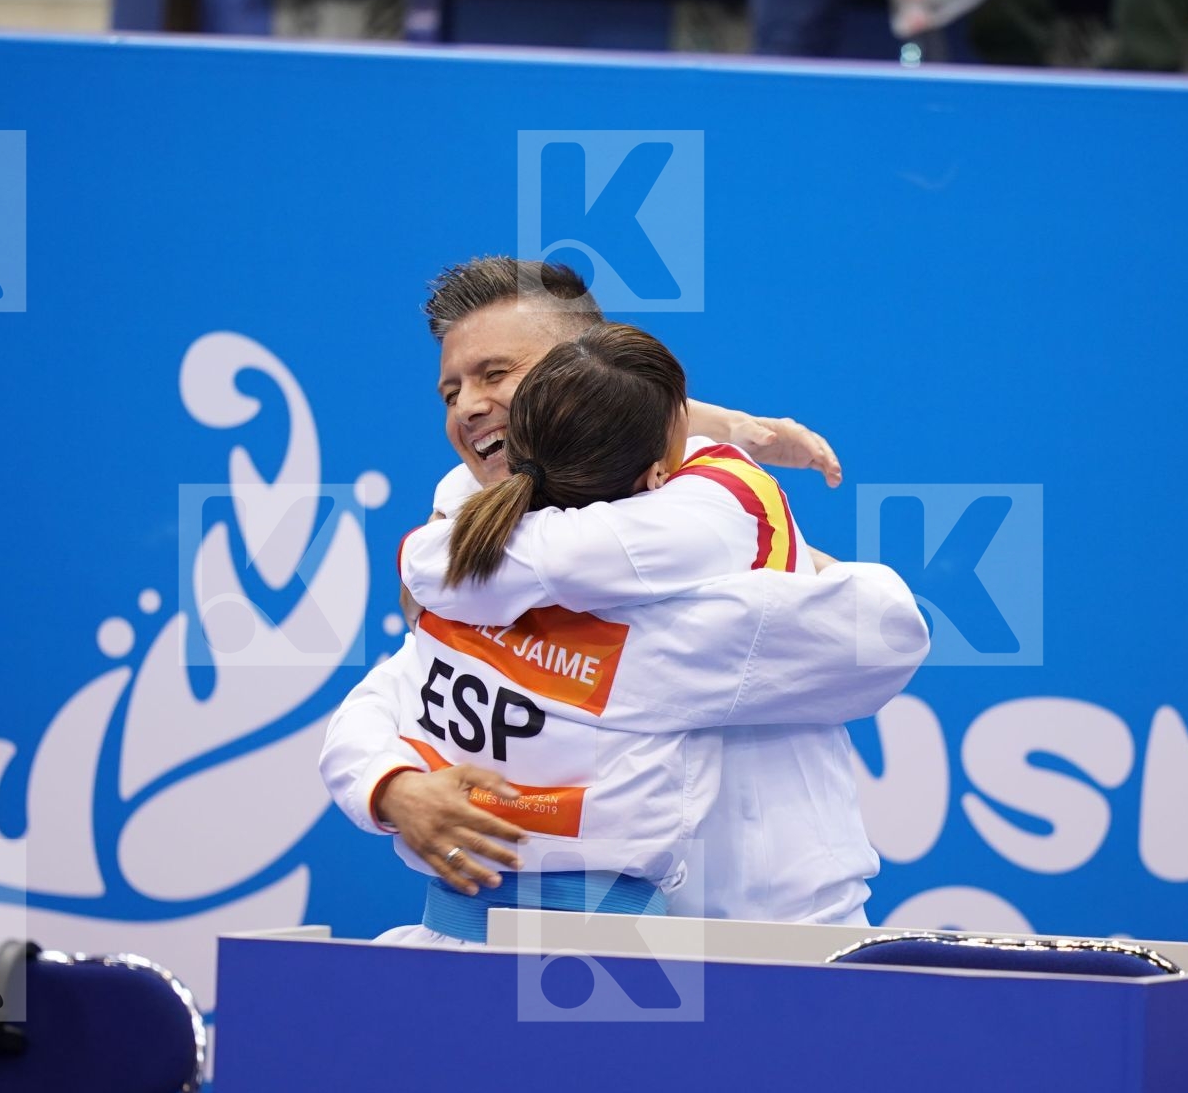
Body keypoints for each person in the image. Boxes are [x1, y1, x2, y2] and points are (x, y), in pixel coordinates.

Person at [320, 256, 886, 926]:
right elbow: (389, 694)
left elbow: (886, 635)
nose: (469, 404)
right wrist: (395, 789)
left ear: (585, 368)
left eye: (495, 374)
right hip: (587, 955)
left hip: (777, 934)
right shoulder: (473, 528)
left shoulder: (711, 506)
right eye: (450, 392)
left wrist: (438, 554)